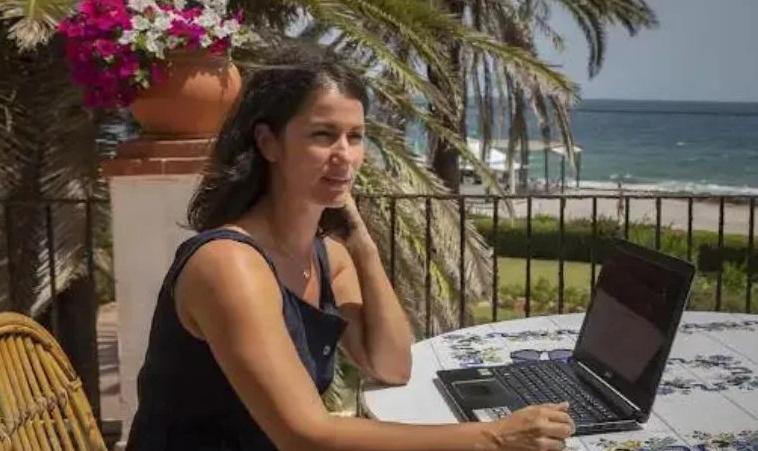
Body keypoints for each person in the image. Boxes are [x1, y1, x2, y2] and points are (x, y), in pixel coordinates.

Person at [125, 42, 575, 451]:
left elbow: (390, 365)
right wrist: (494, 436)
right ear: (268, 143)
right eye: (323, 135)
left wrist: (362, 242)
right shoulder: (229, 265)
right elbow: (305, 436)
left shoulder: (326, 255)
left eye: (355, 136)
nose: (345, 155)